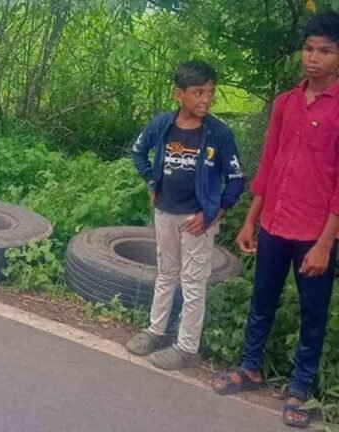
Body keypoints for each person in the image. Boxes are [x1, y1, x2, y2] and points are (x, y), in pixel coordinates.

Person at [210, 12, 339, 428]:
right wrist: (251, 220)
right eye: (308, 49)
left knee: (312, 313)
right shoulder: (285, 103)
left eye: (325, 51)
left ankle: (298, 388)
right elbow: (269, 163)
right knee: (261, 301)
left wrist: (324, 243)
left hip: (314, 233)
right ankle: (250, 367)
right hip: (275, 224)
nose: (313, 58)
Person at [127, 60, 245, 370]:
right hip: (165, 212)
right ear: (179, 94)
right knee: (166, 272)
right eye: (198, 92)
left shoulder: (218, 133)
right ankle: (155, 330)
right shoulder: (162, 125)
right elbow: (138, 152)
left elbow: (236, 179)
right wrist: (151, 181)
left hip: (197, 221)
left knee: (193, 281)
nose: (206, 99)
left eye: (210, 92)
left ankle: (187, 347)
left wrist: (213, 213)